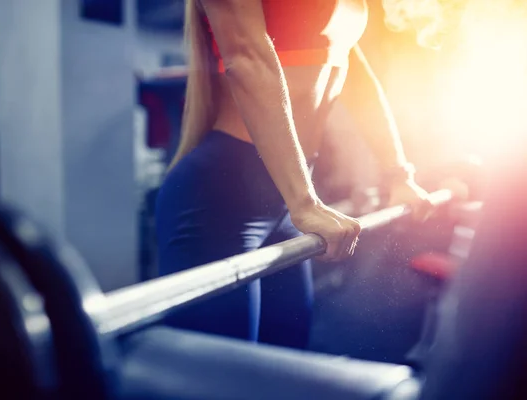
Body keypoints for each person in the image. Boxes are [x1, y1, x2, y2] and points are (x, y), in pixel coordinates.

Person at [155, 0, 435, 349]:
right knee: (223, 378)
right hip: (221, 199)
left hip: (287, 200)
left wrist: (398, 174)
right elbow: (247, 59)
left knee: (287, 359)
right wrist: (304, 201)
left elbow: (358, 80)